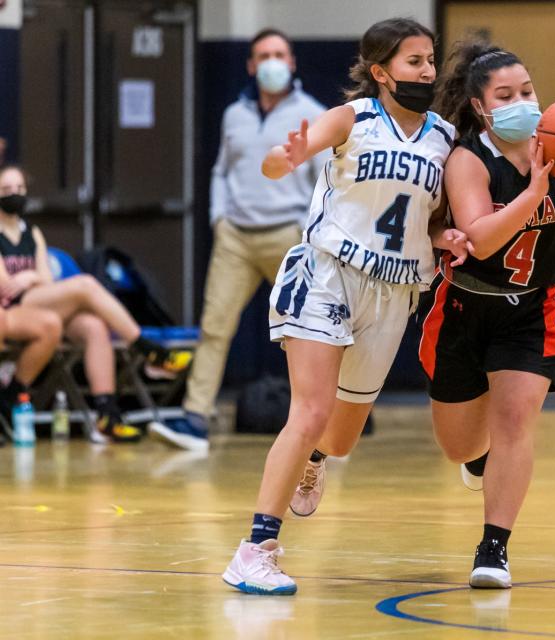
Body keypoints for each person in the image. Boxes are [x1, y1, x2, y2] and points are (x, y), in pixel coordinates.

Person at [222, 18, 469, 595]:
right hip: (327, 273)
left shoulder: (442, 137)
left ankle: (316, 459)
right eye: (414, 61)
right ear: (381, 72)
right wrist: (283, 159)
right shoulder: (352, 118)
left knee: (337, 439)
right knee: (308, 413)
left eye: (430, 59)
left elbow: (423, 217)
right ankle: (255, 550)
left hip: (395, 290)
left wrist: (440, 237)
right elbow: (283, 159)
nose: (428, 70)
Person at [418, 42, 555, 589]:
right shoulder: (468, 159)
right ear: (480, 107)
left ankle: (493, 549)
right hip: (466, 306)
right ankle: (480, 459)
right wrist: (533, 194)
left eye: (527, 91)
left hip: (532, 311)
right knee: (460, 446)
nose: (523, 102)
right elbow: (481, 239)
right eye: (506, 96)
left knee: (516, 421)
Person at [150, 28, 330, 452]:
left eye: (279, 54)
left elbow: (328, 180)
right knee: (214, 328)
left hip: (288, 236)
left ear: (292, 63)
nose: (271, 61)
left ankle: (323, 430)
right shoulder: (234, 114)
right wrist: (218, 218)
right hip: (235, 238)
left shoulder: (313, 114)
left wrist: (311, 235)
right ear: (250, 65)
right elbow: (221, 171)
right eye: (262, 55)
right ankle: (194, 421)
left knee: (308, 333)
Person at [0, 165, 189, 443]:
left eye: (19, 189)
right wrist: (32, 277)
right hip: (13, 307)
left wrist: (28, 277)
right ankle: (148, 350)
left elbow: (46, 278)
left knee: (94, 326)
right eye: (7, 190)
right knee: (86, 285)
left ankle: (107, 415)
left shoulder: (33, 232)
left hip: (41, 299)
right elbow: (6, 284)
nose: (14, 194)